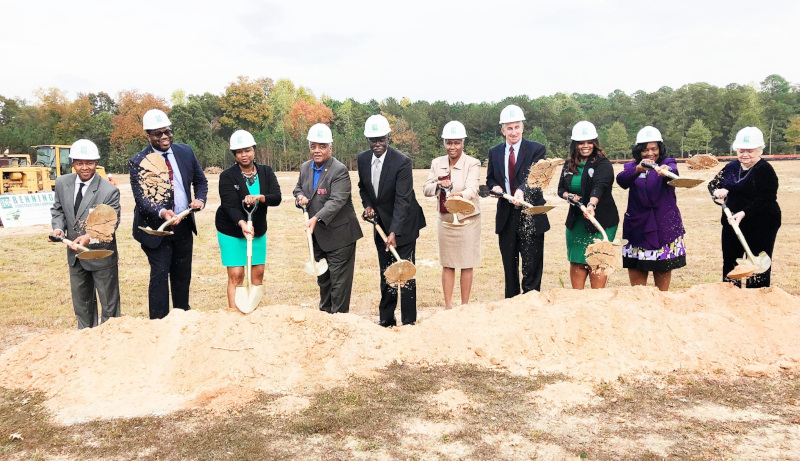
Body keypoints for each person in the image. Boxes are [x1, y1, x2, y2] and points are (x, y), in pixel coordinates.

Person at [130, 109, 208, 320]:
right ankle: (159, 324)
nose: (164, 137)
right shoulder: (138, 161)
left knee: (182, 275)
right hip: (156, 230)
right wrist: (162, 212)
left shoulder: (185, 152)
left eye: (167, 132)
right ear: (148, 136)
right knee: (159, 275)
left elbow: (200, 181)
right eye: (158, 134)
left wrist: (200, 199)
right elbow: (141, 199)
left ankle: (182, 318)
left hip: (183, 226)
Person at [357, 114, 426, 327]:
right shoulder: (362, 159)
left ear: (389, 137)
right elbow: (363, 187)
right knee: (386, 270)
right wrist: (368, 205)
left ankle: (408, 321)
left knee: (405, 272)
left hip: (404, 224)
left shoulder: (402, 162)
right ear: (368, 140)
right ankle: (386, 318)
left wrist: (394, 231)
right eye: (373, 140)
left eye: (381, 139)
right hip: (380, 225)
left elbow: (403, 199)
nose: (377, 144)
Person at [50, 139, 121, 328]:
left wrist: (89, 237)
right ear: (72, 163)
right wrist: (58, 228)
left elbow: (111, 223)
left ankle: (109, 340)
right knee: (82, 305)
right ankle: (85, 341)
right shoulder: (62, 183)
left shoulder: (109, 190)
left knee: (109, 307)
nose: (84, 167)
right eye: (79, 163)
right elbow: (58, 210)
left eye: (89, 163)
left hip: (101, 254)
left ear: (96, 163)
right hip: (75, 255)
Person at [294, 123, 363, 314]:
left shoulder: (339, 170)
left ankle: (340, 320)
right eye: (313, 146)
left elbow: (337, 201)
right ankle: (324, 317)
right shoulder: (305, 167)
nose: (317, 150)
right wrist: (300, 198)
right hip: (318, 237)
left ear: (330, 148)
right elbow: (298, 188)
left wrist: (315, 218)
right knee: (323, 279)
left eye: (322, 146)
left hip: (340, 236)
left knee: (339, 283)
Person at [486, 104, 550, 297]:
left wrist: (521, 191)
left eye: (516, 127)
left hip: (531, 213)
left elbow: (536, 177)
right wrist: (495, 188)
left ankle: (531, 301)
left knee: (532, 265)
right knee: (509, 266)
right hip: (507, 216)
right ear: (502, 130)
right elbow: (491, 179)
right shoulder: (495, 152)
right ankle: (511, 304)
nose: (513, 132)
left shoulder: (537, 150)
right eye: (509, 128)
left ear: (522, 127)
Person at [216, 130, 281, 311]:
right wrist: (243, 224)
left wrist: (261, 197)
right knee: (236, 274)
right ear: (234, 155)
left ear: (254, 150)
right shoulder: (227, 176)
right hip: (231, 230)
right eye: (239, 152)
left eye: (247, 150)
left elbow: (276, 197)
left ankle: (252, 312)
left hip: (257, 229)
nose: (244, 155)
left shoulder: (266, 172)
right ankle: (234, 314)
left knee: (257, 273)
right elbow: (229, 206)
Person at [708, 126, 781, 288]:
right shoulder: (731, 167)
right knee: (731, 261)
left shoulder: (765, 170)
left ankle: (756, 297)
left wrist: (744, 213)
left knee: (756, 264)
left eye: (750, 151)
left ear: (759, 150)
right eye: (741, 151)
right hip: (732, 221)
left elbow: (767, 199)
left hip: (762, 222)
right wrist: (718, 191)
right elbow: (713, 184)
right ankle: (731, 294)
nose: (745, 155)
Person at [616, 126, 686, 291]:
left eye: (654, 149)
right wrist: (638, 169)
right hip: (637, 227)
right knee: (638, 286)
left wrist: (666, 171)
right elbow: (621, 181)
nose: (650, 153)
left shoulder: (667, 163)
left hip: (663, 227)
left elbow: (674, 171)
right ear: (638, 151)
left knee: (662, 283)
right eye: (645, 150)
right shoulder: (631, 167)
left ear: (659, 149)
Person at [423, 121, 481, 310]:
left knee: (466, 263)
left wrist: (458, 196)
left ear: (463, 143)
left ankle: (464, 306)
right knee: (447, 263)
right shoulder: (436, 163)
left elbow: (472, 189)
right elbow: (426, 189)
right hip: (446, 220)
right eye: (449, 143)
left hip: (467, 219)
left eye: (456, 143)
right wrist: (439, 185)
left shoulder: (472, 163)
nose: (452, 147)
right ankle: (448, 306)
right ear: (444, 143)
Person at [557, 121, 619, 289]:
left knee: (597, 263)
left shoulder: (603, 164)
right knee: (577, 263)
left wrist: (591, 204)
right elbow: (560, 189)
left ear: (595, 143)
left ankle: (597, 303)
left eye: (589, 142)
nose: (585, 146)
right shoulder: (569, 164)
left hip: (601, 223)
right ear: (575, 144)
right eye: (581, 142)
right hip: (576, 223)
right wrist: (568, 196)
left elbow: (600, 186)